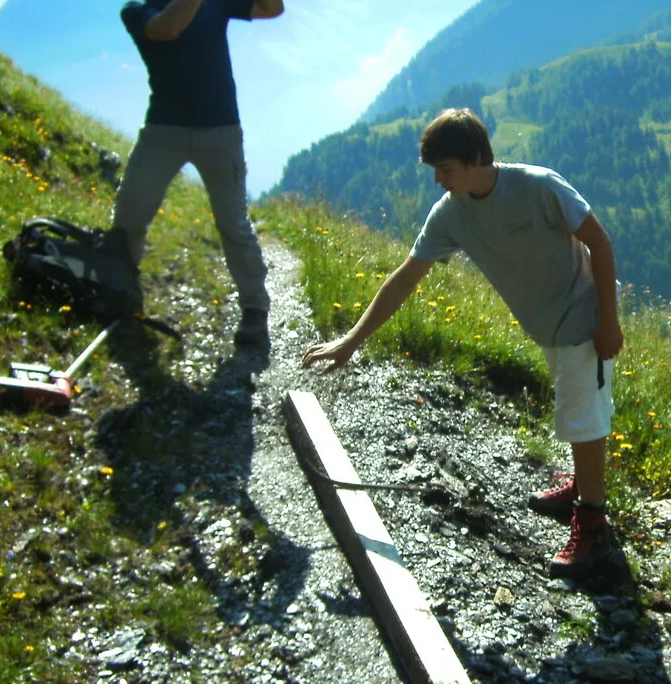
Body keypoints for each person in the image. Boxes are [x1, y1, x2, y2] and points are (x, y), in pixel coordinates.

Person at [301, 108, 624, 578]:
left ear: (476, 159)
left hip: (585, 317)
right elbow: (405, 277)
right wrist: (352, 340)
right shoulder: (451, 214)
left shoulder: (539, 186)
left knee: (583, 418)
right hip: (549, 326)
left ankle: (593, 526)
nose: (438, 180)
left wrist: (609, 321)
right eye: (435, 170)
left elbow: (600, 242)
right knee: (578, 409)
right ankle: (582, 484)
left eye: (446, 169)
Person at [114, 0, 283, 344]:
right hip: (163, 132)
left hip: (221, 131)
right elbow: (168, 28)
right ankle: (119, 290)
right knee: (129, 216)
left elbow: (272, 8)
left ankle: (254, 309)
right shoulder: (137, 12)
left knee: (233, 223)